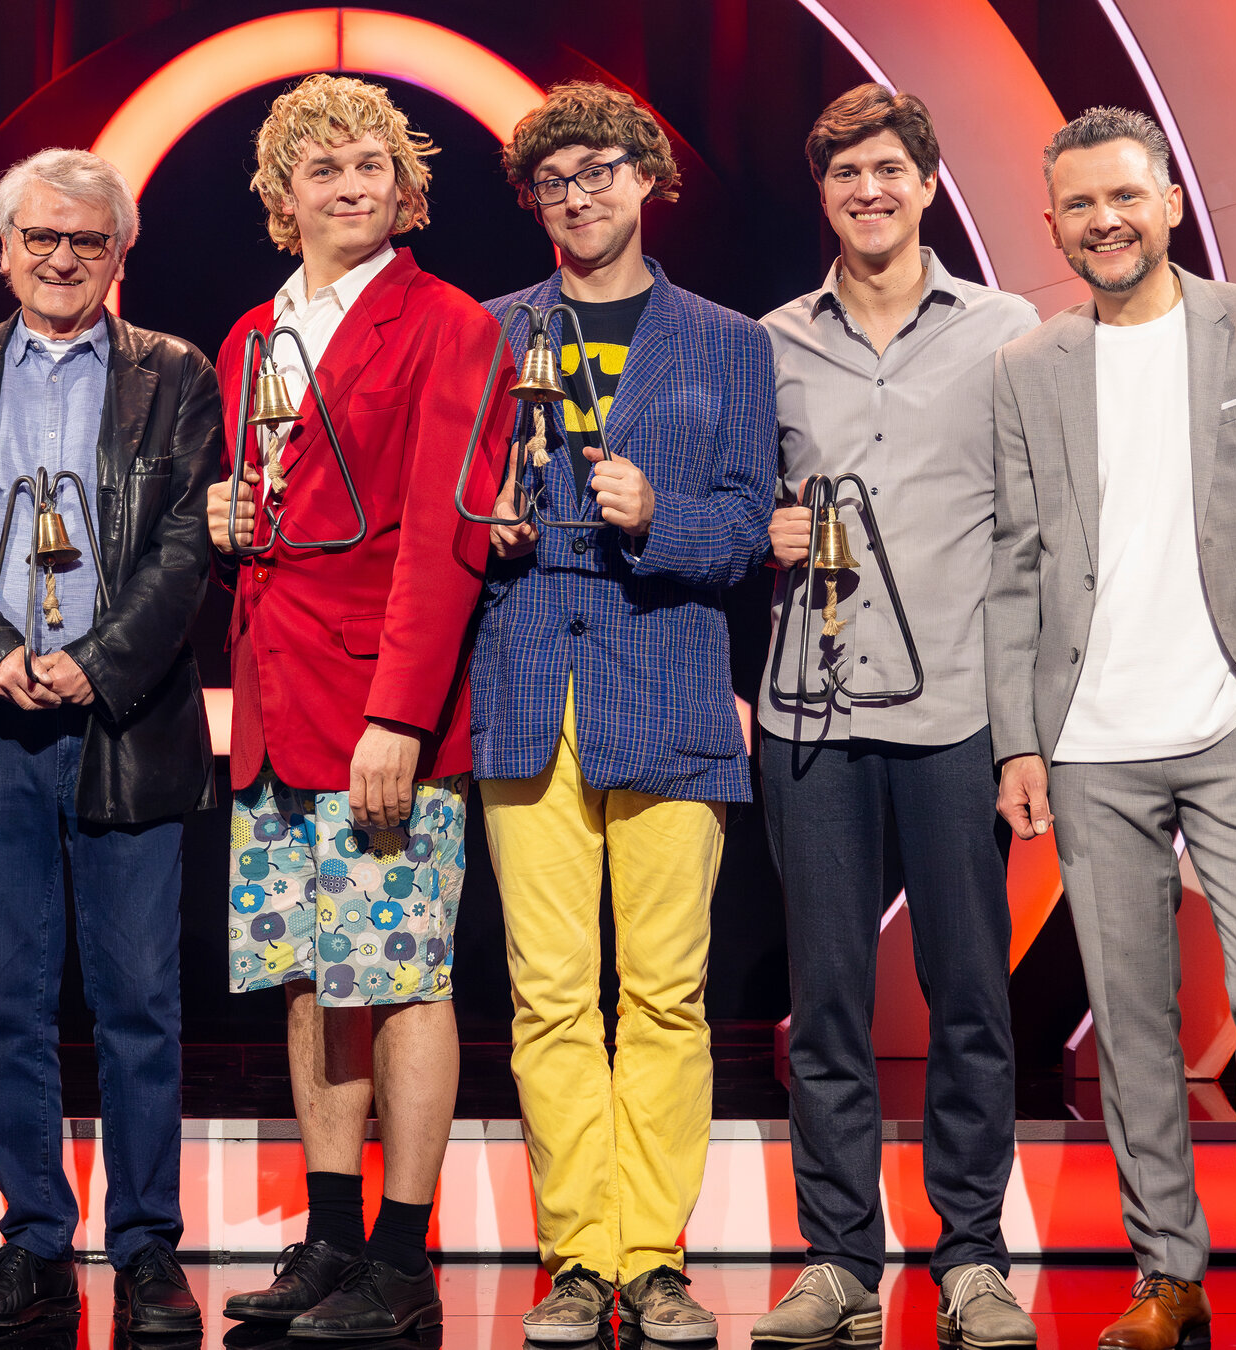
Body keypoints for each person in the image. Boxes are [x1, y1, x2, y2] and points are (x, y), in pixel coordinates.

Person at [988, 107, 1236, 1350]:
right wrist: (1017, 740)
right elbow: (1013, 561)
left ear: (1167, 202)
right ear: (1053, 226)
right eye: (1079, 205)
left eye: (1123, 196)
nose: (1103, 220)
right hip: (1089, 742)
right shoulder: (1028, 366)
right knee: (1131, 1016)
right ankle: (1166, 1276)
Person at [0, 148, 220, 1335]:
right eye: (41, 237)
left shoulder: (175, 374)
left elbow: (188, 541)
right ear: (4, 248)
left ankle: (145, 1246)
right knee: (7, 1004)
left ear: (121, 251)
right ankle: (33, 1240)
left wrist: (99, 661)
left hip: (126, 723)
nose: (62, 258)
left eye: (87, 239)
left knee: (138, 1002)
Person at [472, 82, 774, 1345]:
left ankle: (651, 1257)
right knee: (548, 996)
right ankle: (576, 1259)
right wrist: (484, 527)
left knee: (663, 995)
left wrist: (662, 518)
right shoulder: (487, 331)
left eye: (598, 171)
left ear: (647, 178)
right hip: (526, 686)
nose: (576, 196)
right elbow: (447, 510)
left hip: (669, 684)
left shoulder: (726, 341)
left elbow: (750, 525)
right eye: (552, 181)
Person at [208, 73, 508, 1340]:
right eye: (321, 168)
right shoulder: (249, 335)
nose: (348, 187)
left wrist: (402, 715)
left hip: (385, 711)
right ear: (282, 196)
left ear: (405, 188)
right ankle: (331, 1238)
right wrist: (225, 519)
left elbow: (450, 534)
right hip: (275, 706)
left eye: (370, 166)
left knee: (403, 976)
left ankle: (401, 1254)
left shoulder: (449, 324)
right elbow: (269, 508)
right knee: (308, 979)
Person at [748, 85, 1041, 1349]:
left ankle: (971, 1255)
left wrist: (1025, 732)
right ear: (821, 193)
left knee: (968, 995)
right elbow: (728, 504)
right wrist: (756, 533)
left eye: (887, 170)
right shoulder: (769, 340)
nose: (867, 192)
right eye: (844, 174)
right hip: (808, 711)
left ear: (926, 183)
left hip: (956, 708)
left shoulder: (1007, 330)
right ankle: (837, 1260)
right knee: (825, 998)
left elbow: (1034, 535)